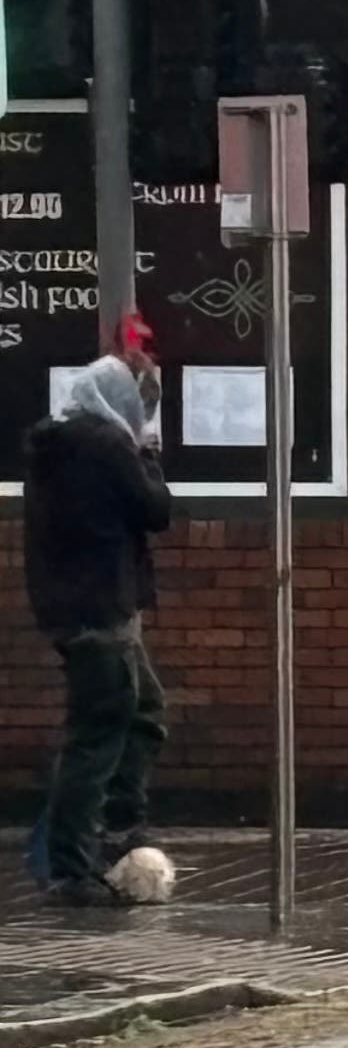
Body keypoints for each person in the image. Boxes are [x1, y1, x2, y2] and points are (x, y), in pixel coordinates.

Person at [25, 353, 173, 906]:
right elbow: (155, 509)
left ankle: (119, 824)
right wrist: (150, 455)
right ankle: (74, 864)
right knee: (100, 734)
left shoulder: (56, 446)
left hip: (75, 608)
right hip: (101, 608)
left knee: (142, 710)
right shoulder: (107, 446)